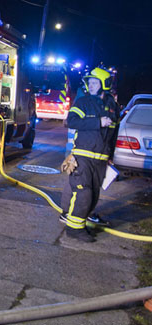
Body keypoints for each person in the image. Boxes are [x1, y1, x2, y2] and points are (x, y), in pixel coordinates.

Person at [59, 68, 113, 242]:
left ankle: (82, 222)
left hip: (101, 158)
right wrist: (97, 122)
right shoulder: (83, 102)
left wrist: (110, 155)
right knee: (83, 193)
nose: (91, 85)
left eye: (95, 83)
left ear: (104, 85)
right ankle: (74, 229)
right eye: (89, 83)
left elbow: (113, 133)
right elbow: (72, 121)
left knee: (94, 194)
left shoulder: (112, 106)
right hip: (83, 155)